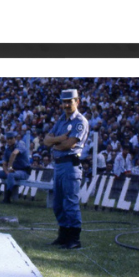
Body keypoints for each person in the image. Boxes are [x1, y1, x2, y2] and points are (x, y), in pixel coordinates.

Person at [44, 88, 90, 249]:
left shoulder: (80, 121)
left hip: (71, 165)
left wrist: (55, 142)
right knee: (57, 203)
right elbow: (46, 140)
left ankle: (74, 238)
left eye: (69, 101)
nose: (66, 105)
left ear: (77, 101)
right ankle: (63, 235)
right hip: (59, 164)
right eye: (64, 102)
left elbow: (68, 145)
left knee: (70, 202)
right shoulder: (61, 120)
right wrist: (58, 139)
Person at [0, 131, 32, 203]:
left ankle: (7, 198)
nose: (9, 140)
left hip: (24, 171)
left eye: (11, 138)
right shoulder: (7, 149)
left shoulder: (20, 145)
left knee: (11, 175)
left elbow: (14, 154)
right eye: (8, 139)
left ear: (15, 138)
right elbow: (4, 163)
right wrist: (6, 171)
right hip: (13, 171)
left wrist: (10, 168)